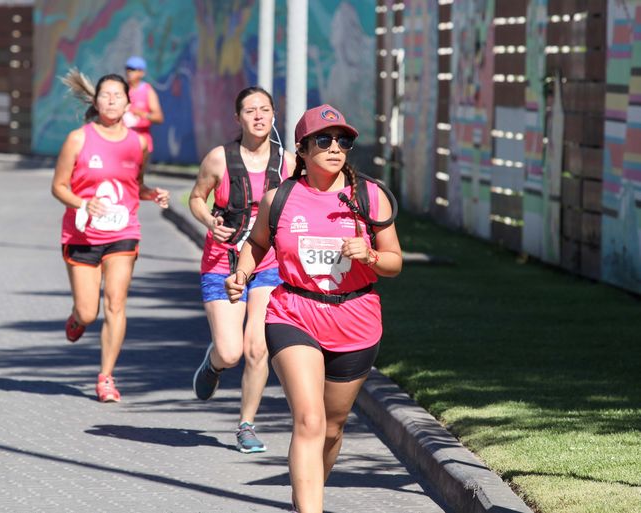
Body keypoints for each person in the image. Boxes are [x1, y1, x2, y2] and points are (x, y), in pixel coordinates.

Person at [225, 104, 402, 512]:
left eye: (344, 140)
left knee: (332, 426)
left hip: (356, 320)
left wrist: (370, 255)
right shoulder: (281, 198)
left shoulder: (370, 197)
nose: (335, 147)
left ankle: (307, 494)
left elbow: (395, 262)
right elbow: (256, 243)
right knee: (309, 420)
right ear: (302, 150)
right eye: (324, 140)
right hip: (294, 314)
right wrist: (243, 272)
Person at [51, 70, 170, 403]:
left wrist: (151, 194)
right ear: (95, 100)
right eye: (105, 94)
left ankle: (106, 377)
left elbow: (134, 185)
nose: (112, 100)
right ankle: (77, 319)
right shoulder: (79, 139)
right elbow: (58, 186)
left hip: (123, 232)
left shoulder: (138, 143)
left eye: (119, 95)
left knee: (116, 303)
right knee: (89, 312)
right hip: (82, 233)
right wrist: (82, 202)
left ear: (129, 102)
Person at [189, 86, 295, 453]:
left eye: (265, 109)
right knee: (231, 351)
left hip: (267, 265)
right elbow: (196, 197)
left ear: (274, 116)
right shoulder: (219, 159)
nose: (258, 116)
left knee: (256, 348)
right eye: (250, 110)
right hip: (222, 263)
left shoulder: (289, 164)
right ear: (238, 118)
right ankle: (214, 363)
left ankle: (246, 425)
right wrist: (208, 220)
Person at [123, 56, 163, 166]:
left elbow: (159, 117)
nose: (129, 72)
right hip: (122, 141)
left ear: (142, 73)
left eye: (133, 69)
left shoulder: (147, 91)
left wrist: (141, 114)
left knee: (137, 180)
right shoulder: (122, 89)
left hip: (142, 143)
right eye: (128, 69)